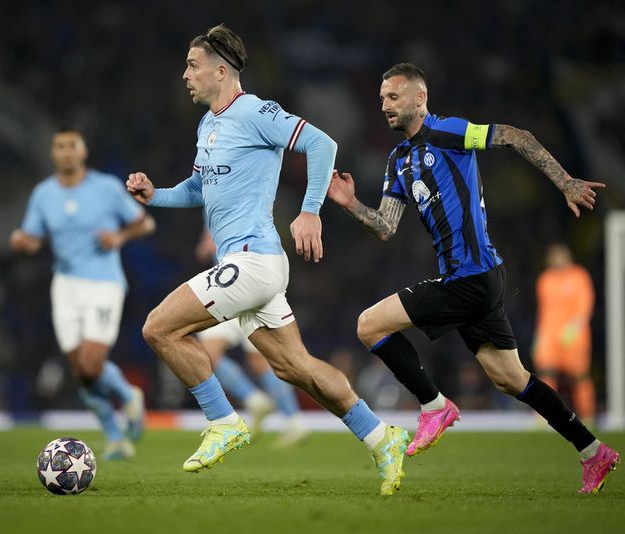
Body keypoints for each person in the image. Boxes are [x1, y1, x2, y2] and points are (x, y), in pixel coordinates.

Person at [126, 24, 408, 496]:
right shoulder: (209, 124)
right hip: (252, 267)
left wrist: (310, 212)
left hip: (252, 260)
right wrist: (155, 195)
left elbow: (322, 144)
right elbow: (198, 189)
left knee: (158, 327)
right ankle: (382, 437)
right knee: (294, 368)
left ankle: (223, 421)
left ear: (221, 71)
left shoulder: (255, 111)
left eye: (193, 66)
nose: (185, 75)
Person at [327, 63, 618, 494]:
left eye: (393, 97)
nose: (385, 106)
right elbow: (386, 227)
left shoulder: (448, 132)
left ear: (419, 99)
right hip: (474, 279)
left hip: (472, 276)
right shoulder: (399, 160)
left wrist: (565, 181)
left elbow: (516, 136)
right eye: (382, 99)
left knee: (368, 325)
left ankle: (434, 405)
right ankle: (593, 451)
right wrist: (351, 204)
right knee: (511, 379)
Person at [10, 128, 154, 461]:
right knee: (81, 373)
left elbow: (144, 224)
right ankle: (115, 437)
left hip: (104, 283)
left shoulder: (105, 187)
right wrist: (23, 242)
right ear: (53, 154)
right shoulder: (43, 194)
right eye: (60, 147)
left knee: (92, 364)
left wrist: (118, 238)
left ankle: (128, 395)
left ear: (83, 151)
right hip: (65, 286)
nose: (66, 153)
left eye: (72, 146)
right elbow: (32, 238)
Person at [195, 229, 309, 447]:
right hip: (237, 282)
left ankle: (266, 407)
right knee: (257, 360)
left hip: (238, 284)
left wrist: (215, 241)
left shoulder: (238, 200)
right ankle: (287, 417)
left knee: (213, 354)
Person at [533, 243, 596, 424]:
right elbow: (543, 311)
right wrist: (538, 336)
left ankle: (587, 415)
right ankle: (543, 416)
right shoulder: (545, 279)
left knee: (579, 377)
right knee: (546, 375)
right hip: (549, 335)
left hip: (574, 336)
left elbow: (585, 306)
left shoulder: (579, 276)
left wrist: (575, 327)